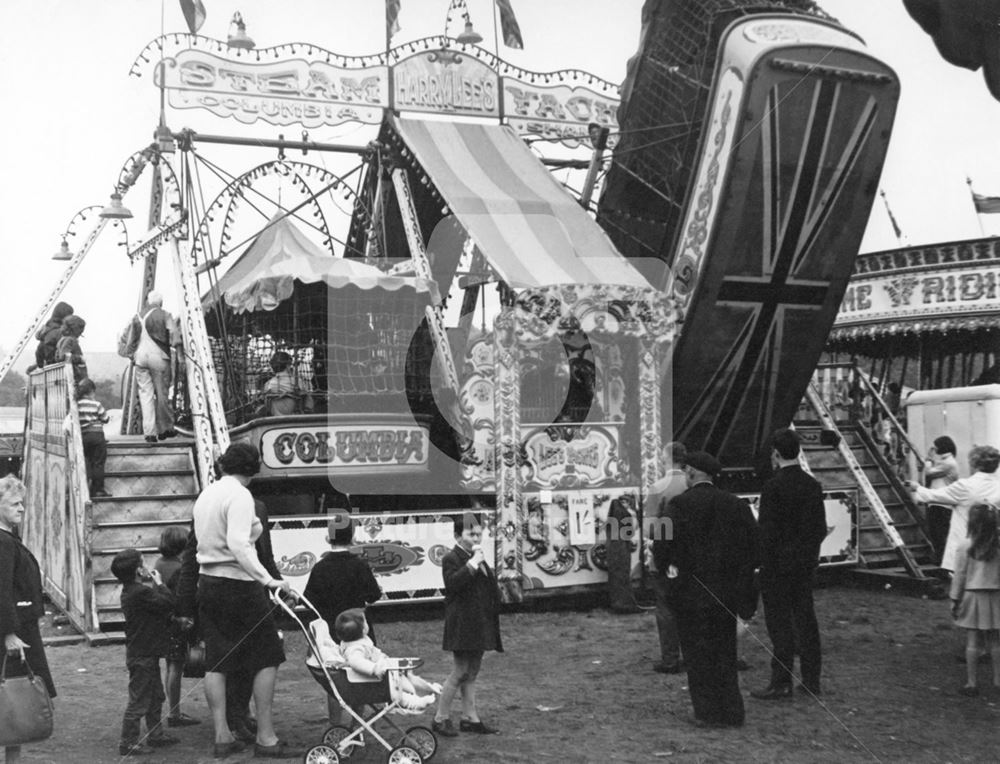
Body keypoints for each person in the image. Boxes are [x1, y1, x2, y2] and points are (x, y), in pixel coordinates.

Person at [192, 442, 299, 759]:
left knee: (218, 659)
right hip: (238, 584)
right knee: (267, 656)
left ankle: (222, 735)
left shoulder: (206, 494)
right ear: (254, 468)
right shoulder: (240, 496)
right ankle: (266, 738)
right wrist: (268, 580)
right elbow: (239, 545)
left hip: (207, 581)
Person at [653, 451, 758, 728]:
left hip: (690, 590)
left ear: (692, 473)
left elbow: (661, 545)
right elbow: (752, 547)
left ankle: (707, 712)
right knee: (725, 652)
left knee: (698, 656)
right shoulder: (735, 505)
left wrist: (667, 573)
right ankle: (732, 711)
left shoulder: (678, 505)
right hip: (725, 592)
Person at [750, 428, 828, 700]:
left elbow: (767, 532)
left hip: (777, 567)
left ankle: (781, 680)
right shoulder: (812, 485)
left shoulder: (773, 487)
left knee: (780, 625)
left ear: (775, 453)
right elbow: (819, 529)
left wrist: (764, 562)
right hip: (804, 565)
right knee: (806, 620)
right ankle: (811, 680)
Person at [303, 510, 383, 725]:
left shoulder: (320, 568)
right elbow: (374, 595)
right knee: (361, 678)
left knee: (334, 682)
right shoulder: (360, 565)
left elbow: (309, 600)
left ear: (328, 539)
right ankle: (357, 725)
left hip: (332, 633)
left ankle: (335, 725)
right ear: (353, 538)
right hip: (359, 630)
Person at [0, 476, 56, 764]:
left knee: (14, 707)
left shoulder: (8, 537)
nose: (21, 508)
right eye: (14, 503)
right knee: (13, 703)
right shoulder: (3, 541)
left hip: (18, 629)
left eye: (22, 503)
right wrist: (8, 633)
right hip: (13, 634)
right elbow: (2, 587)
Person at [432, 513, 503, 738]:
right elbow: (453, 585)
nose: (476, 537)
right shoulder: (451, 558)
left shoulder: (478, 556)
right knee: (460, 671)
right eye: (470, 534)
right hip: (462, 624)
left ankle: (470, 717)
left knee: (472, 671)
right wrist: (473, 563)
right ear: (457, 535)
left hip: (479, 622)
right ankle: (440, 717)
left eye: (478, 533)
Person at [112, 547, 179, 757]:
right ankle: (128, 742)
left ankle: (155, 734)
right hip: (143, 654)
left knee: (154, 696)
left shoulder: (131, 591)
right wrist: (159, 583)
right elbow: (169, 603)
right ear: (138, 570)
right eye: (143, 563)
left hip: (142, 653)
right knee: (139, 701)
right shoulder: (141, 592)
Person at [908, 445, 1000, 573]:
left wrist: (917, 488)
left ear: (974, 464)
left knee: (961, 584)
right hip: (991, 546)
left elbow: (934, 495)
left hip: (965, 545)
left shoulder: (965, 486)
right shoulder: (998, 486)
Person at [334, 609, 441, 709]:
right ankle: (413, 702)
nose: (367, 623)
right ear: (363, 630)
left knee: (405, 675)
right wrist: (374, 669)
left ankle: (425, 689)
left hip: (377, 675)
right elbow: (356, 662)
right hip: (372, 681)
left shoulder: (356, 642)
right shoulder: (355, 648)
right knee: (397, 686)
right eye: (365, 621)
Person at [643, 441, 688, 673]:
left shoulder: (658, 488)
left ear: (668, 459)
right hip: (692, 556)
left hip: (666, 556)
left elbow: (650, 530)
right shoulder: (693, 485)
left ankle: (670, 658)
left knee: (666, 607)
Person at [950, 503, 1000, 695]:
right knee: (996, 641)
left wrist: (955, 598)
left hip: (972, 596)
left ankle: (972, 683)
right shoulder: (998, 544)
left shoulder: (965, 546)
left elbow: (960, 576)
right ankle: (998, 681)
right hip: (996, 595)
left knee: (973, 642)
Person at [153, 526, 199, 728]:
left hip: (162, 621)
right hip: (176, 620)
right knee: (176, 666)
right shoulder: (179, 568)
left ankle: (173, 709)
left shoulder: (159, 563)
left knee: (170, 666)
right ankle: (174, 712)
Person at [133, 291, 180, 444]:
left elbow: (129, 338)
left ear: (148, 302)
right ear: (161, 302)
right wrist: (179, 353)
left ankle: (149, 433)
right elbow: (174, 336)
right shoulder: (165, 315)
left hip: (140, 358)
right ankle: (165, 429)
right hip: (159, 357)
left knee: (146, 395)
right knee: (162, 394)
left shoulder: (137, 316)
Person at [923, 436, 960, 566]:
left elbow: (928, 473)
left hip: (941, 504)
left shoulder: (948, 463)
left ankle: (943, 566)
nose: (933, 449)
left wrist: (928, 459)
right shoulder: (946, 462)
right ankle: (942, 564)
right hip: (939, 503)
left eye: (935, 447)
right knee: (938, 536)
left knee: (939, 537)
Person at [75, 378, 111, 498]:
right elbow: (105, 419)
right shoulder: (96, 404)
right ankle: (98, 489)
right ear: (91, 392)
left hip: (84, 436)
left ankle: (84, 488)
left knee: (87, 461)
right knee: (98, 463)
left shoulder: (76, 405)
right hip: (97, 436)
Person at [31, 301, 73, 370]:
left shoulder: (47, 330)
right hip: (59, 369)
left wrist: (40, 364)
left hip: (50, 369)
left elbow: (39, 350)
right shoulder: (59, 332)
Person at [54, 314, 88, 383]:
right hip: (75, 376)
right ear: (75, 329)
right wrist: (80, 359)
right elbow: (64, 356)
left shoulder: (62, 340)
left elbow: (57, 357)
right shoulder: (70, 340)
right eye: (80, 329)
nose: (81, 332)